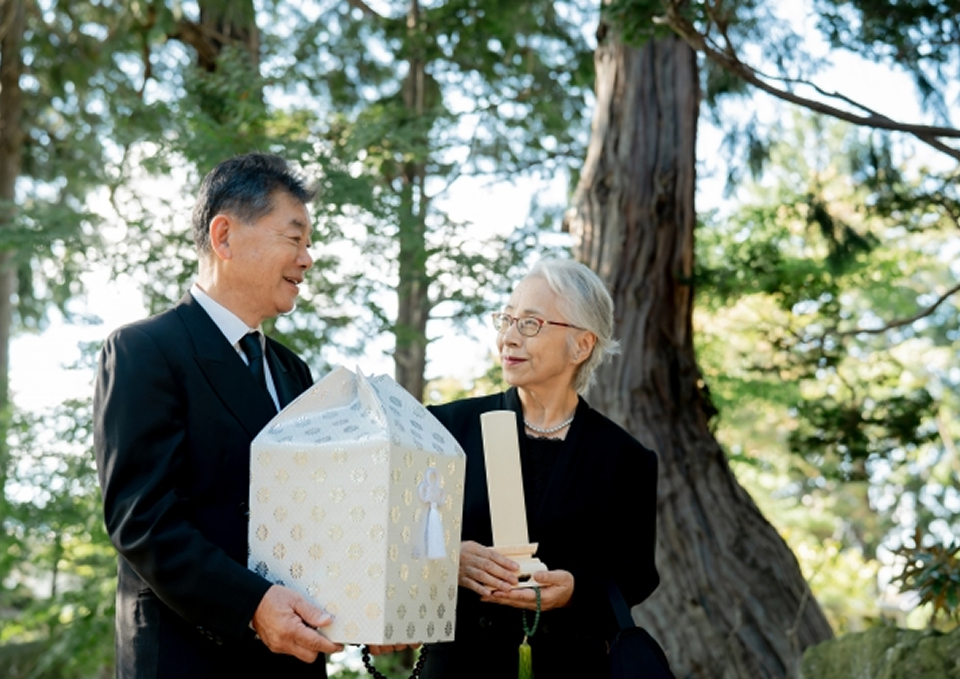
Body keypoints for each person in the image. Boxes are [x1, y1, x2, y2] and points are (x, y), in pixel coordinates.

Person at [94, 153, 343, 678]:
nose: (307, 259)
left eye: (308, 244)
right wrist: (253, 605)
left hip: (293, 657)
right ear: (224, 236)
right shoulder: (145, 349)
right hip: (190, 656)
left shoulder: (292, 370)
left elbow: (320, 510)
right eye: (294, 239)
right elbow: (143, 520)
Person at [420, 258, 660, 678]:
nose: (508, 338)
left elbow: (637, 576)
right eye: (506, 320)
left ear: (582, 345)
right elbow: (392, 533)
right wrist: (447, 557)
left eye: (530, 324)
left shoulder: (626, 458)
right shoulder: (444, 428)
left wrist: (574, 591)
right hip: (459, 665)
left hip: (573, 666)